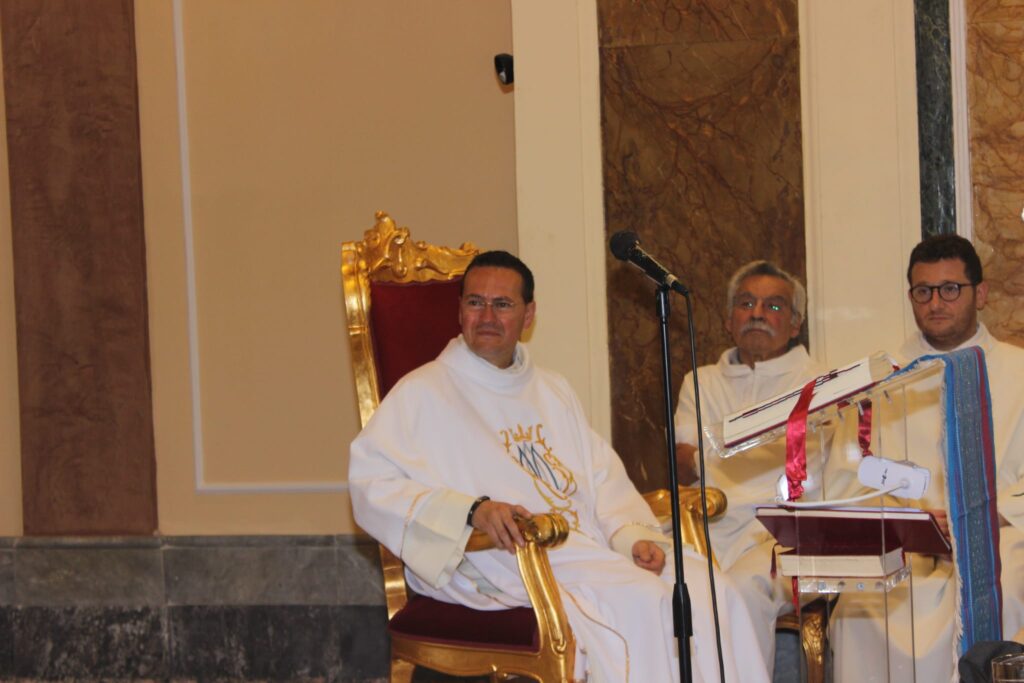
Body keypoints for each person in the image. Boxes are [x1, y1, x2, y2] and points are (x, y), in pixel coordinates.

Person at [349, 250, 770, 683]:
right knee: (642, 599)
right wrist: (472, 511)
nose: (487, 315)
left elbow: (601, 477)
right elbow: (370, 483)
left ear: (528, 315)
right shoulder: (422, 392)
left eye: (503, 304)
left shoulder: (552, 390)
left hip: (582, 549)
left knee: (711, 591)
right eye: (475, 302)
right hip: (502, 556)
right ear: (459, 312)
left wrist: (629, 536)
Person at [829, 234, 1024, 682]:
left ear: (982, 293)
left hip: (1001, 534)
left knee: (1007, 589)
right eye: (923, 291)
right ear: (911, 296)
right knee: (858, 608)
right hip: (905, 541)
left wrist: (983, 518)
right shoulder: (880, 380)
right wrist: (909, 521)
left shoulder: (1017, 369)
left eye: (950, 289)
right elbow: (849, 472)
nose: (936, 302)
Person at [673, 260, 827, 673]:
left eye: (774, 306)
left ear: (796, 325)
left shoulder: (821, 383)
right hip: (709, 526)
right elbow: (683, 462)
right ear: (728, 320)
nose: (757, 313)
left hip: (786, 532)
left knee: (740, 588)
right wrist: (753, 446)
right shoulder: (701, 381)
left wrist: (719, 447)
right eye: (746, 303)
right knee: (660, 581)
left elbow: (812, 468)